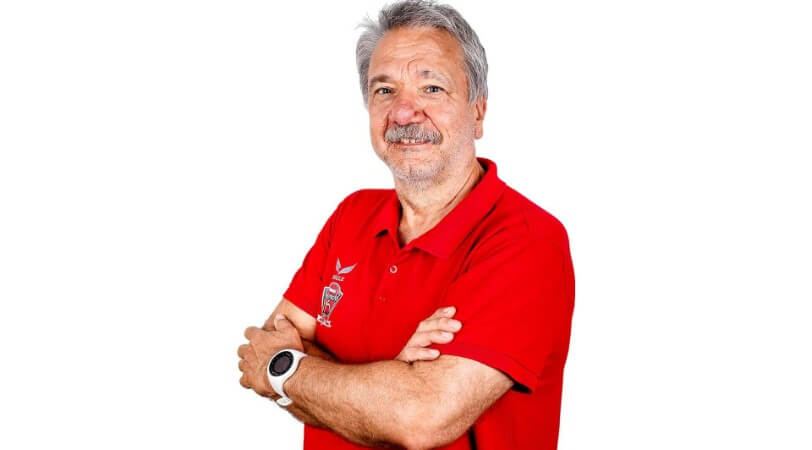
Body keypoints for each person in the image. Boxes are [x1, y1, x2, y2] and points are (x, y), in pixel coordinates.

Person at [237, 1, 575, 448]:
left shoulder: (527, 241)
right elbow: (264, 345)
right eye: (385, 90)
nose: (402, 113)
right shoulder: (352, 215)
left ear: (477, 111)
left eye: (432, 88)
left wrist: (285, 372)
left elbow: (420, 419)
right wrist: (392, 381)